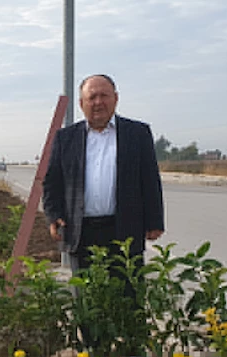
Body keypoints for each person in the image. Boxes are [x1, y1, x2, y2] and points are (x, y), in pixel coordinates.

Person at [42, 73, 165, 273]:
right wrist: (53, 215)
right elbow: (52, 182)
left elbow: (150, 179)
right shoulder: (66, 138)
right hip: (81, 231)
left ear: (115, 98)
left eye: (104, 95)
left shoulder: (137, 133)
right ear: (81, 104)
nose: (98, 102)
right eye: (92, 97)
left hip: (124, 230)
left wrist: (155, 221)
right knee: (85, 290)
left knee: (128, 289)